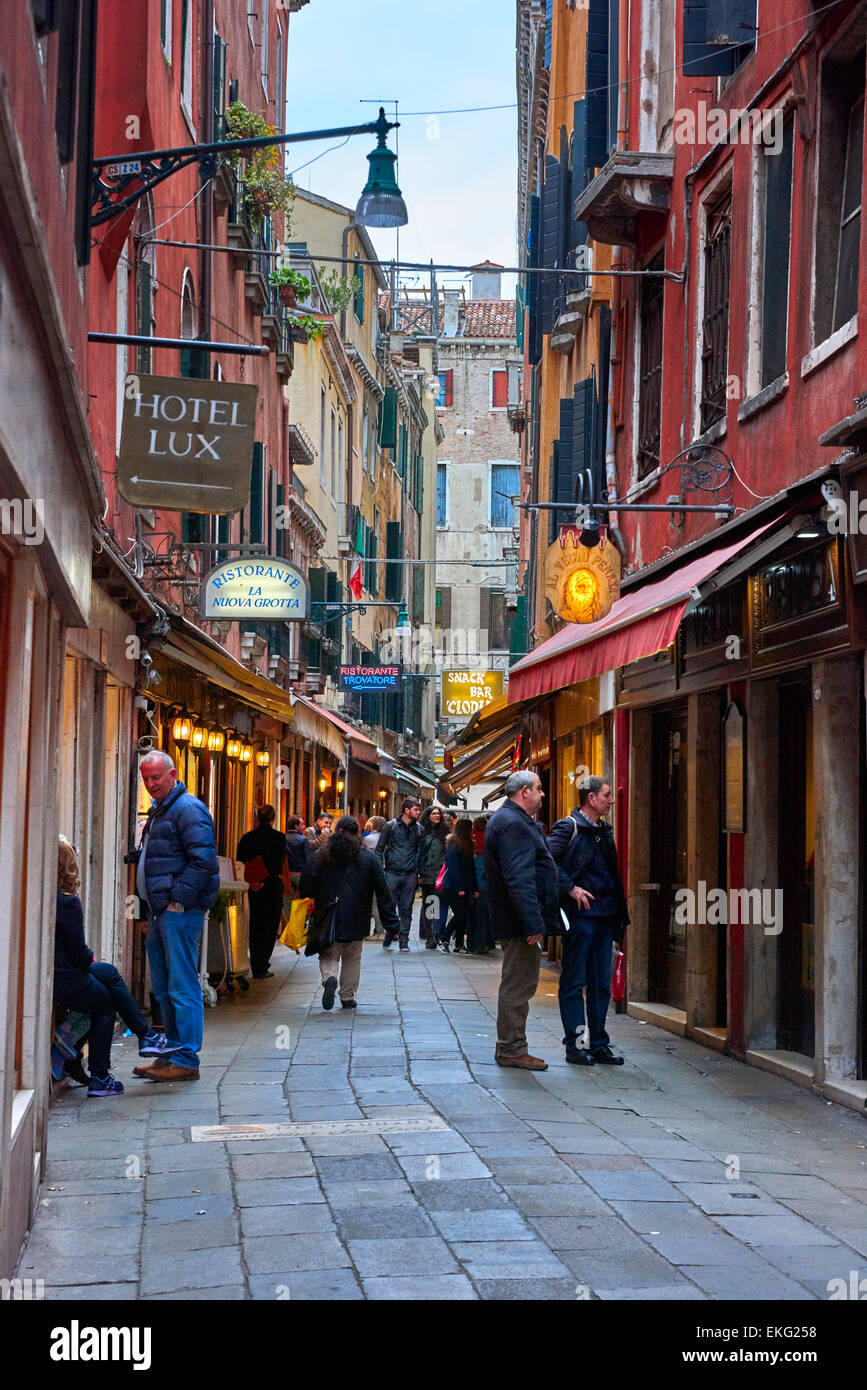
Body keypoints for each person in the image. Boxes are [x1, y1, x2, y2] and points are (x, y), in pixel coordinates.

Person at [54, 838, 177, 1097]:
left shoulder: (45, 899)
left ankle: (146, 1037)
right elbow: (78, 955)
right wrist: (90, 959)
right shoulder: (67, 903)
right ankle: (101, 1075)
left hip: (58, 972)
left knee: (108, 973)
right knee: (105, 1002)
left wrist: (89, 961)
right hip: (64, 977)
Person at [134, 751, 219, 1083]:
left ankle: (185, 1057)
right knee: (164, 988)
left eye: (156, 777)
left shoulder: (188, 809)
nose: (151, 784)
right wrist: (147, 910)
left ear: (172, 774)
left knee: (181, 986)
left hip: (177, 913)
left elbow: (204, 862)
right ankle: (170, 1053)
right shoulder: (162, 811)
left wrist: (176, 902)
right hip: (158, 913)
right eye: (146, 778)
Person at [547, 776, 629, 1067]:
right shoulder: (568, 827)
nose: (611, 800)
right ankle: (576, 1045)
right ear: (591, 798)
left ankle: (598, 1043)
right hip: (581, 917)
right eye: (607, 795)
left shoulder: (603, 830)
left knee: (601, 984)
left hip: (605, 916)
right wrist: (571, 888)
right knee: (574, 981)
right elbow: (546, 860)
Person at [484, 770, 559, 1071]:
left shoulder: (509, 820)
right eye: (539, 789)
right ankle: (512, 1049)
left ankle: (512, 1047)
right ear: (524, 791)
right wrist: (532, 923)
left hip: (515, 917)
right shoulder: (513, 823)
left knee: (518, 983)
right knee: (519, 984)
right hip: (518, 922)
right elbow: (519, 878)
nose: (543, 794)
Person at [300, 815, 399, 1009]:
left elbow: (306, 886)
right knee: (353, 956)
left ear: (337, 831)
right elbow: (382, 890)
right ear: (357, 834)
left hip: (328, 915)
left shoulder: (320, 856)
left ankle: (329, 977)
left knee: (329, 952)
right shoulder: (368, 858)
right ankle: (347, 996)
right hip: (358, 916)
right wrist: (391, 923)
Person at [236, 805, 289, 979]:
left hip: (252, 887)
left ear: (258, 818)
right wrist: (265, 879)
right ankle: (262, 965)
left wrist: (251, 881)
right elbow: (279, 862)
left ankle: (255, 963)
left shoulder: (247, 838)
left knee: (255, 924)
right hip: (271, 886)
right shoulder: (279, 838)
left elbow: (240, 861)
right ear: (273, 819)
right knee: (269, 926)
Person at [375, 796, 423, 950]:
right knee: (389, 906)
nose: (418, 812)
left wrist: (419, 871)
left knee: (406, 908)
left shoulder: (419, 829)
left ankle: (404, 939)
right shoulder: (391, 826)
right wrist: (381, 870)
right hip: (392, 872)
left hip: (410, 874)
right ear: (406, 810)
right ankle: (391, 932)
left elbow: (421, 852)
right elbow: (379, 849)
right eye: (416, 809)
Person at [438, 817, 478, 954]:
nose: (472, 830)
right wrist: (460, 887)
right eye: (470, 828)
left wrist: (474, 887)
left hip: (465, 886)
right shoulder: (454, 845)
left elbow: (471, 868)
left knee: (463, 915)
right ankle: (444, 940)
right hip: (453, 887)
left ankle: (459, 945)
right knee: (460, 914)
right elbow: (453, 867)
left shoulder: (467, 844)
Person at [418, 804, 448, 950]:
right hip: (427, 873)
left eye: (438, 814)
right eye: (434, 813)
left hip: (439, 874)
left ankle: (435, 935)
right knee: (429, 903)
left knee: (436, 903)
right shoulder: (422, 832)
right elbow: (420, 853)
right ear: (428, 816)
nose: (437, 816)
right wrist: (420, 872)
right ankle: (430, 935)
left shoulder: (445, 832)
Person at [467, 816, 493, 954]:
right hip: (485, 882)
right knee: (483, 916)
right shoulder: (489, 838)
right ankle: (481, 944)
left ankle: (470, 943)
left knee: (471, 915)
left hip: (471, 883)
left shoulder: (470, 838)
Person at [361, 815, 386, 934]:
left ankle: (380, 929)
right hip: (388, 872)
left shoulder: (369, 839)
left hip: (373, 873)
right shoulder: (388, 838)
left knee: (375, 903)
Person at [285, 813, 311, 895]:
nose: (304, 827)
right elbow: (308, 859)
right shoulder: (303, 840)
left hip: (286, 874)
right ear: (296, 826)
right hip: (299, 874)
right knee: (300, 901)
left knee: (288, 900)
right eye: (302, 824)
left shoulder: (283, 838)